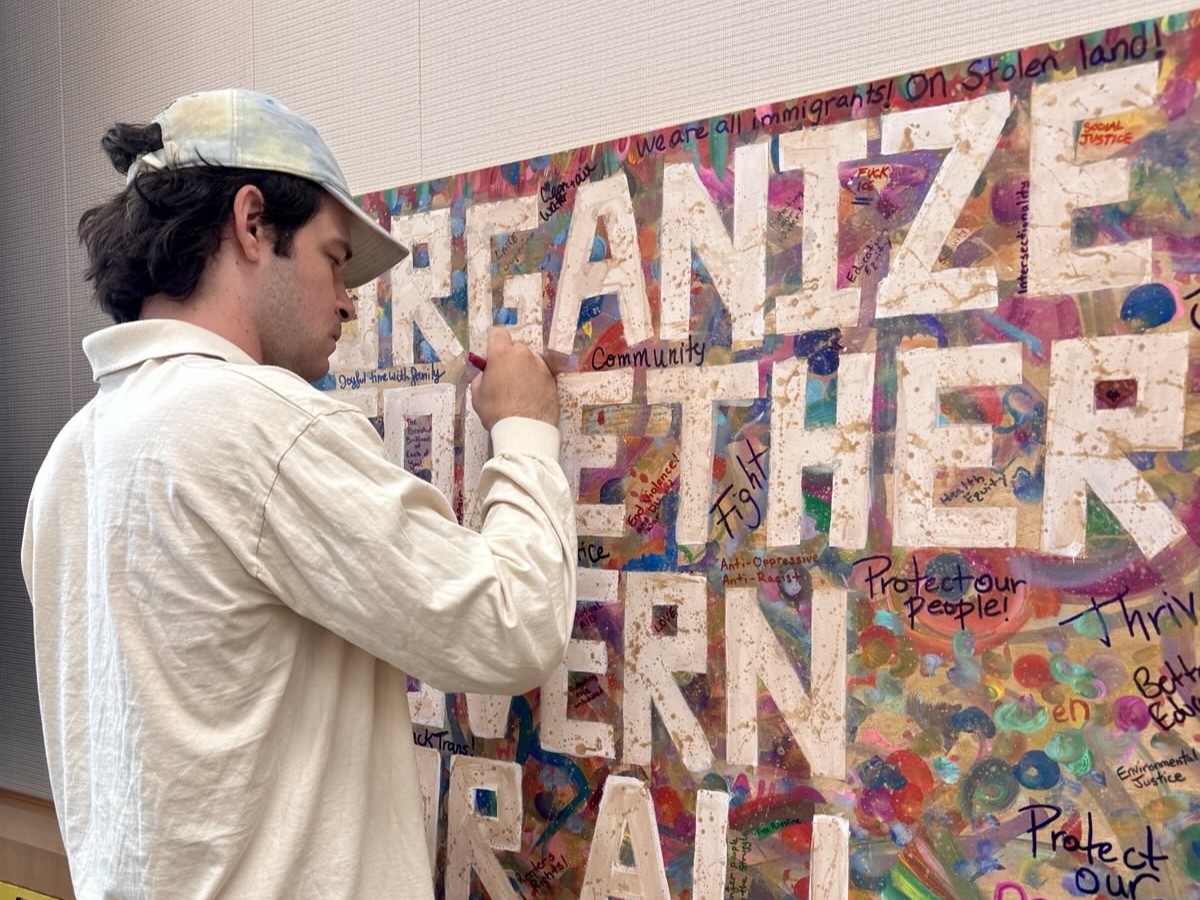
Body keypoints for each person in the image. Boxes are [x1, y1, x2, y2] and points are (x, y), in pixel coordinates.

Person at [21, 88, 577, 899]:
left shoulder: (68, 462)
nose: (350, 299)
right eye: (334, 258)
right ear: (253, 224)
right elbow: (513, 622)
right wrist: (527, 430)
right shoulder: (262, 424)